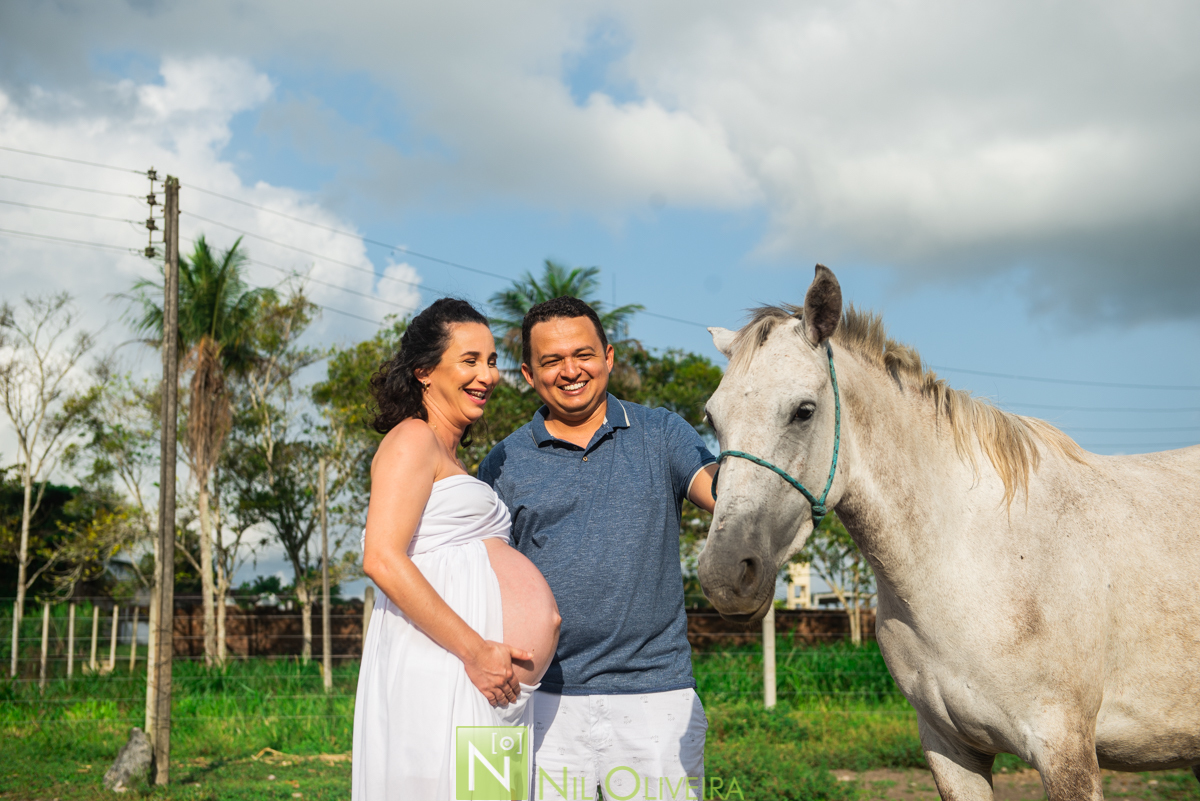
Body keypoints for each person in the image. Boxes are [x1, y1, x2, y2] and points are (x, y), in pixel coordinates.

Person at [478, 296, 718, 800]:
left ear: (608, 357)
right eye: (552, 360)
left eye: (583, 354)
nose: (571, 371)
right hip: (537, 698)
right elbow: (483, 576)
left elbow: (721, 494)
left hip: (656, 697)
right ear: (529, 374)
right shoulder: (503, 462)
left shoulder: (663, 433)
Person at [352, 298, 562, 801]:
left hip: (489, 683)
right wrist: (476, 651)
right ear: (424, 371)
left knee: (491, 794)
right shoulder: (412, 438)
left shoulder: (452, 455)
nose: (487, 375)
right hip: (450, 667)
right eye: (470, 360)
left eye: (491, 361)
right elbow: (381, 557)